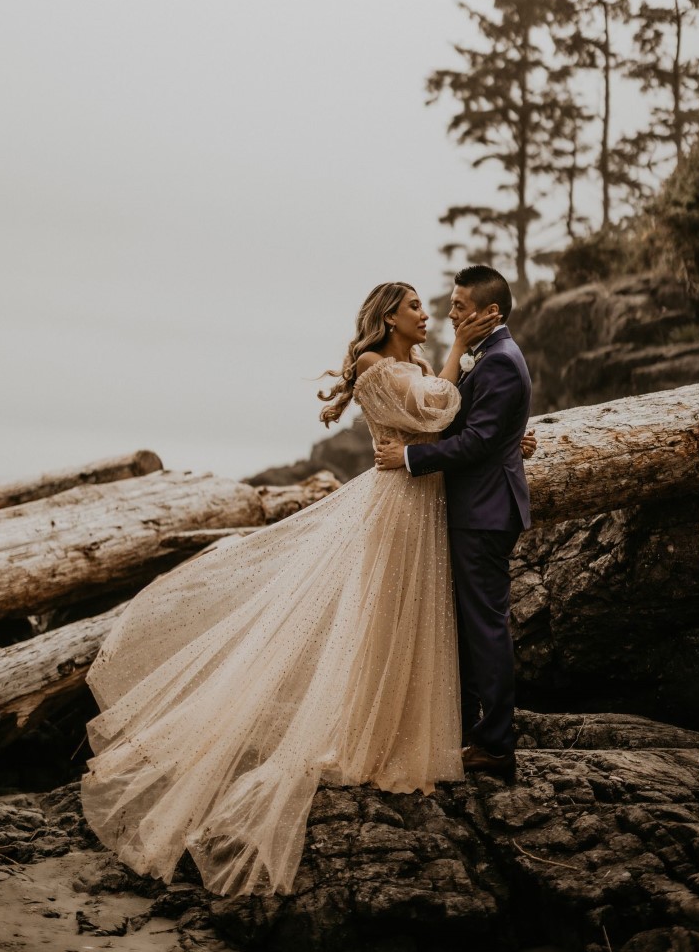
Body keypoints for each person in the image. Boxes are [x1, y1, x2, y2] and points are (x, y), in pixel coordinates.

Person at [81, 281, 504, 899]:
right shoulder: (372, 364)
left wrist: (505, 437)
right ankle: (369, 743)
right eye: (415, 306)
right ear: (389, 317)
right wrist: (457, 351)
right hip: (399, 506)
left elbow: (452, 421)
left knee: (415, 619)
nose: (428, 314)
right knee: (385, 616)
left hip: (424, 501)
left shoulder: (409, 361)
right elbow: (437, 408)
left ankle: (402, 741)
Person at [375, 265, 532, 782]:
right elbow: (476, 424)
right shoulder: (485, 357)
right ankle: (467, 732)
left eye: (460, 306)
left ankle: (496, 746)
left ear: (491, 312)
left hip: (484, 513)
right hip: (474, 508)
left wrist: (411, 460)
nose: (450, 313)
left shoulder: (501, 361)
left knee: (486, 628)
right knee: (469, 626)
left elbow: (479, 441)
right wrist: (514, 438)